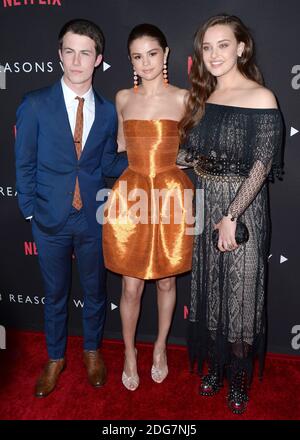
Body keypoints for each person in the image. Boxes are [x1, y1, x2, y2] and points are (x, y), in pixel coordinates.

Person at [15, 19, 128, 397]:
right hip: (48, 219)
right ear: (59, 55)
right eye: (69, 51)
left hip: (93, 217)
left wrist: (148, 160)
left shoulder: (110, 112)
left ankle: (92, 351)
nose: (76, 60)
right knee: (55, 293)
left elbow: (106, 164)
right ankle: (55, 357)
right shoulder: (34, 104)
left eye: (85, 53)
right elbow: (24, 162)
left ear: (98, 59)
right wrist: (31, 210)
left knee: (96, 291)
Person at [178, 14, 283, 414]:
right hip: (205, 204)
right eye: (207, 47)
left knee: (241, 295)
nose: (214, 54)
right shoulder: (201, 98)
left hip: (243, 211)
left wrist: (231, 216)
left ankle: (239, 375)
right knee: (211, 291)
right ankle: (217, 366)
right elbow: (190, 154)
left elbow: (261, 165)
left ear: (241, 48)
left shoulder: (262, 97)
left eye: (223, 45)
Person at [102, 24, 194, 391]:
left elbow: (191, 150)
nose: (146, 63)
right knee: (131, 286)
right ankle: (129, 352)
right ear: (130, 61)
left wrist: (174, 162)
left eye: (152, 54)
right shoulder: (123, 97)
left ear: (166, 54)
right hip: (132, 195)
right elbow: (123, 145)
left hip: (171, 194)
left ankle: (159, 348)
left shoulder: (185, 99)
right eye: (138, 57)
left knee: (168, 279)